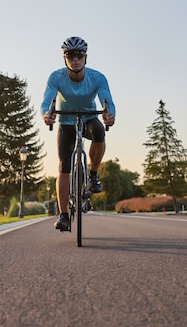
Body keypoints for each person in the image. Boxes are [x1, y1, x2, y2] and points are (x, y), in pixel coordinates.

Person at [41, 36, 116, 231]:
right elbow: (47, 102)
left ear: (85, 58)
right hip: (66, 122)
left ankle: (92, 174)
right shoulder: (56, 77)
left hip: (89, 118)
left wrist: (109, 115)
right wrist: (47, 115)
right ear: (64, 59)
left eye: (79, 55)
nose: (75, 59)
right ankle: (63, 215)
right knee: (64, 166)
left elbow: (107, 101)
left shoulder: (97, 77)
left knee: (99, 131)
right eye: (70, 56)